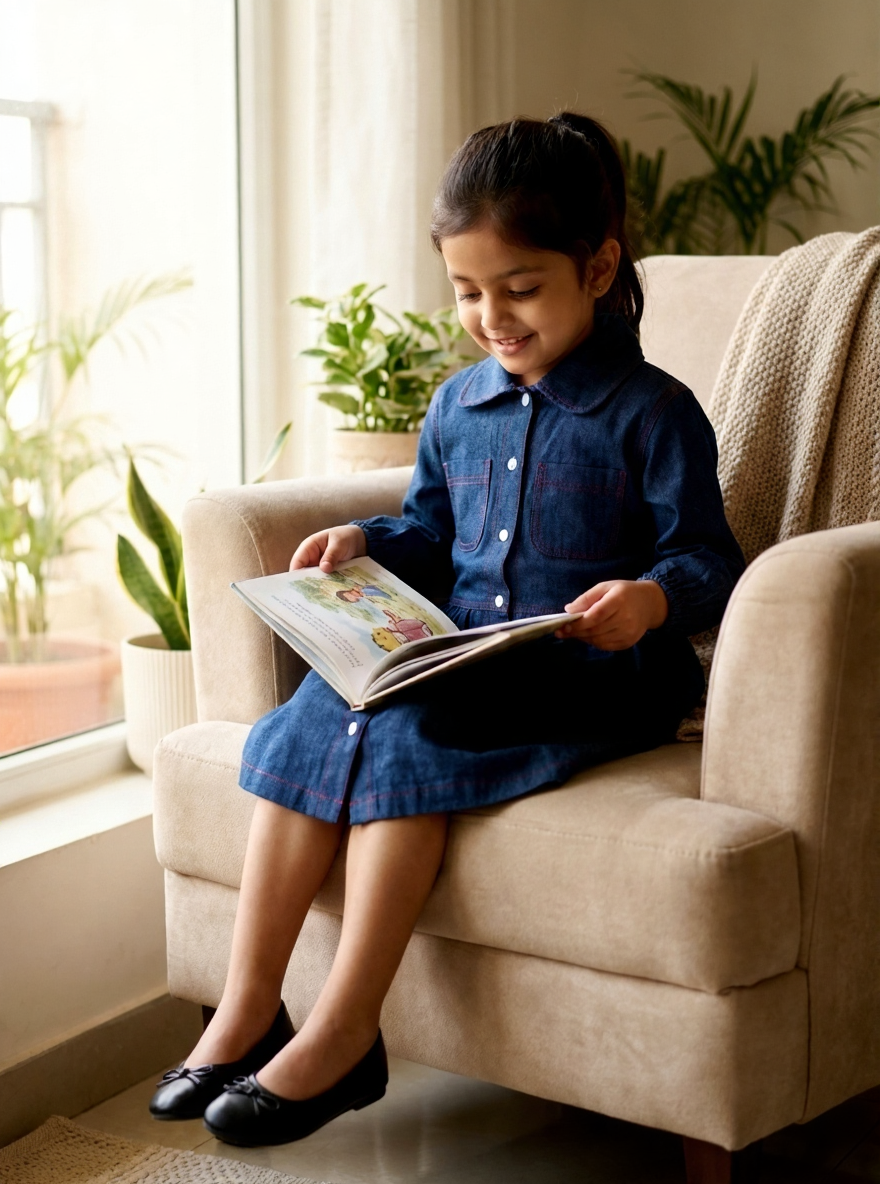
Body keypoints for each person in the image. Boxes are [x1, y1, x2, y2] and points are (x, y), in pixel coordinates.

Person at [149, 113, 745, 1147]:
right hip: (468, 659)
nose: (491, 317)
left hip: (590, 671)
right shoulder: (455, 406)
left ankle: (341, 1032)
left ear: (597, 268)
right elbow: (430, 531)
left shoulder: (653, 411)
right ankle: (248, 1010)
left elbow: (705, 558)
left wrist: (648, 598)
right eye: (468, 293)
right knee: (315, 709)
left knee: (407, 727)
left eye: (518, 288)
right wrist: (359, 537)